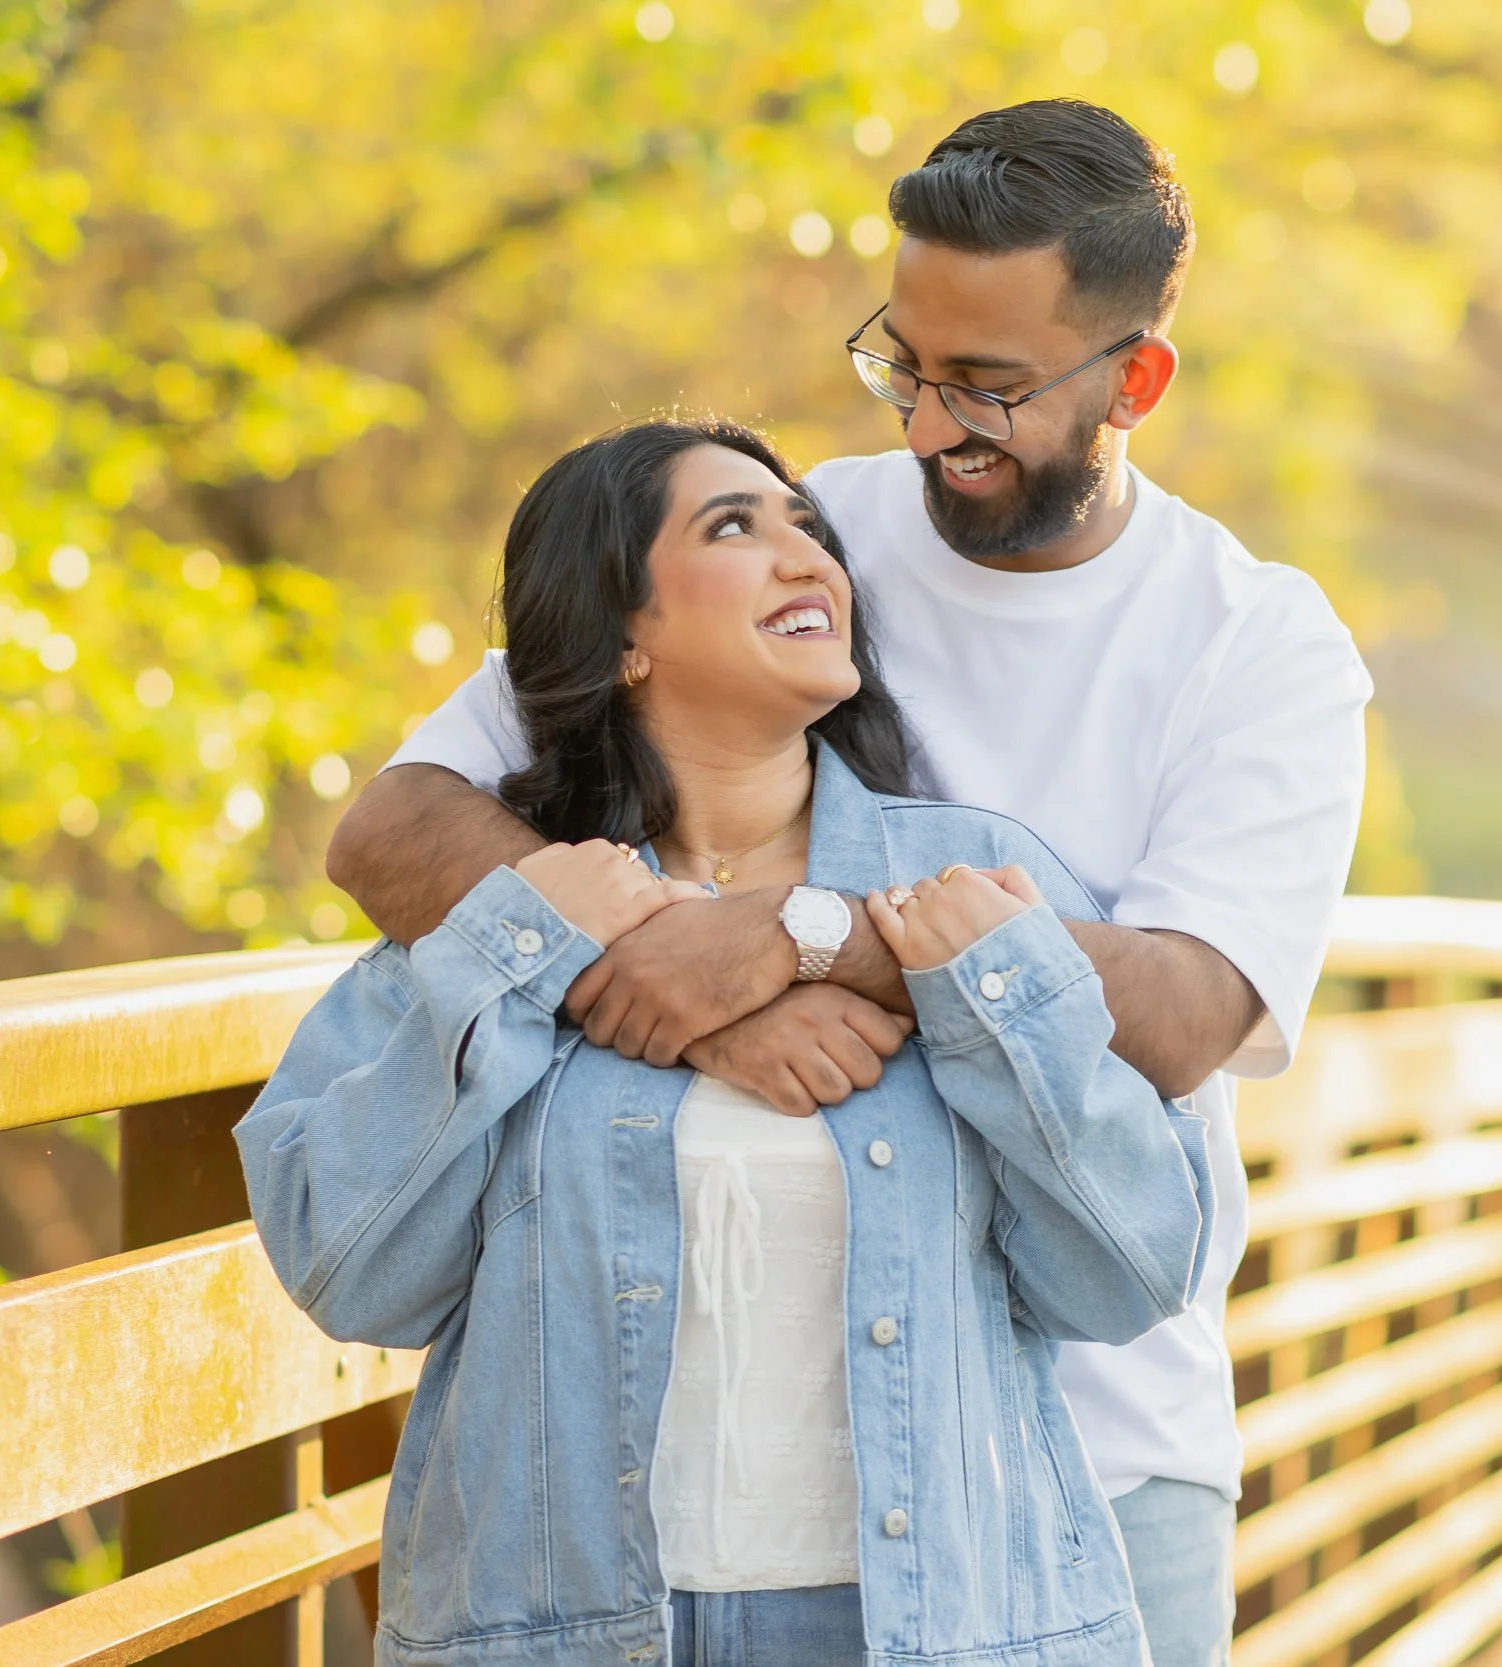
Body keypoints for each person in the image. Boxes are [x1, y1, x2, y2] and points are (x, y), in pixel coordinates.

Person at [328, 101, 1372, 1665]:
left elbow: (1181, 1008)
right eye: (905, 361)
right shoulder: (799, 543)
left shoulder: (1253, 643)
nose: (928, 425)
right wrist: (687, 983)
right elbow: (401, 828)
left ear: (1135, 378)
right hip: (727, 1511)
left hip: (1102, 1441)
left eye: (991, 388)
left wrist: (815, 939)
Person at [241, 418, 1214, 1666]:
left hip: (929, 1629)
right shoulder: (521, 915)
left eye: (807, 527)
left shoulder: (976, 889)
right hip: (569, 1635)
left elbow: (1132, 1267)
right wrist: (532, 955)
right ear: (624, 635)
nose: (804, 555)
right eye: (734, 526)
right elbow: (353, 1270)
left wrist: (973, 988)